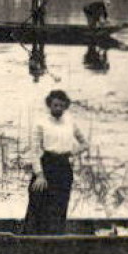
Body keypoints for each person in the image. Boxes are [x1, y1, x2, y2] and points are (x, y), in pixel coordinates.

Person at [23, 88, 86, 235]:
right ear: (49, 104)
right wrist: (39, 175)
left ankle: (55, 239)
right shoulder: (41, 123)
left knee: (59, 204)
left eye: (61, 106)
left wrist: (71, 152)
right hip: (46, 165)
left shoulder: (70, 123)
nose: (58, 108)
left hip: (63, 167)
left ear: (66, 106)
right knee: (38, 202)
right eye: (55, 105)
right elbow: (35, 150)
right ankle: (32, 238)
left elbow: (84, 143)